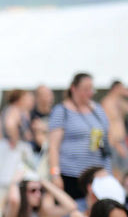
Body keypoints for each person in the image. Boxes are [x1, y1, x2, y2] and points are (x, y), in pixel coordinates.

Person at [48, 72, 112, 202]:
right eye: (85, 89)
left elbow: (106, 140)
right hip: (70, 173)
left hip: (95, 173)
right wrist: (55, 174)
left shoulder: (97, 110)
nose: (90, 93)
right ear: (74, 89)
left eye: (91, 89)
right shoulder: (62, 111)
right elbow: (53, 146)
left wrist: (108, 171)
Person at [101, 80, 128, 177]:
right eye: (122, 88)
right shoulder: (107, 102)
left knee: (124, 172)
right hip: (113, 142)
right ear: (116, 88)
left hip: (121, 141)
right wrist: (117, 145)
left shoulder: (120, 102)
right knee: (117, 173)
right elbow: (106, 126)